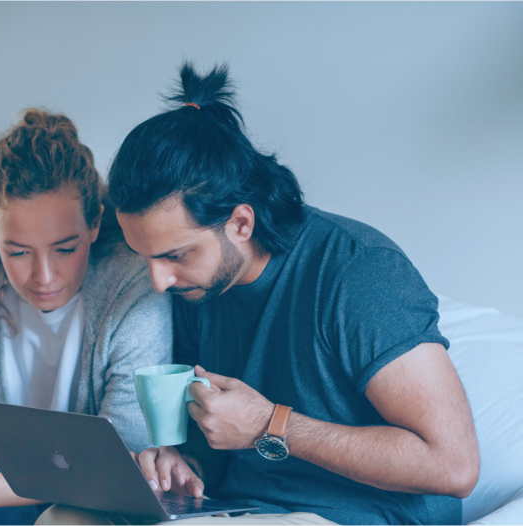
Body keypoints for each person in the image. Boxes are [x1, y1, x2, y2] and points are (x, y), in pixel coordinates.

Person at [36, 64, 479, 526]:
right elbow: (218, 439)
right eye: (146, 258)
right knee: (64, 519)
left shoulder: (359, 272)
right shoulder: (197, 289)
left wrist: (271, 425)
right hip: (243, 507)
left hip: (360, 513)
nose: (158, 282)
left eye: (176, 255)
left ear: (241, 223)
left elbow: (454, 466)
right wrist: (183, 463)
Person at [0, 110, 172, 526]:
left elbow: (122, 462)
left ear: (95, 222)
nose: (44, 277)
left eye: (64, 249)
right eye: (18, 252)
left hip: (91, 494)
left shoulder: (132, 285)